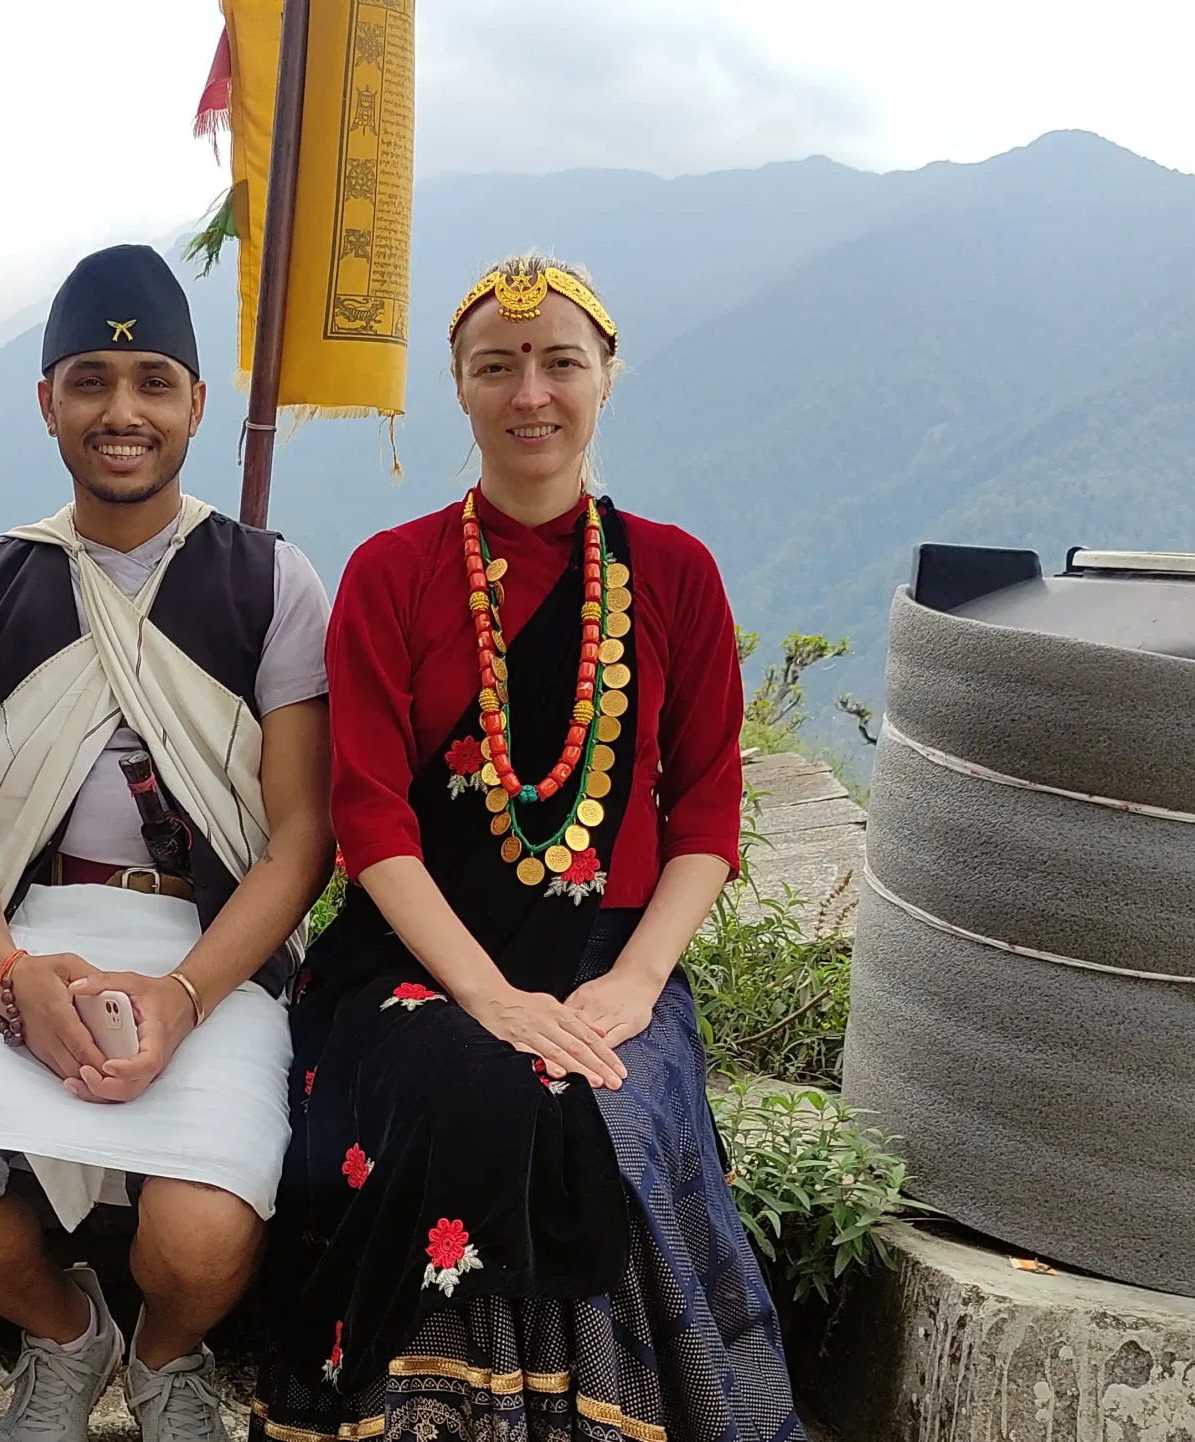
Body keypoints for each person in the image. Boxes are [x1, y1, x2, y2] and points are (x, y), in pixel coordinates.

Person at [251, 255, 800, 1442]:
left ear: (608, 377)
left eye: (560, 362)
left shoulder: (673, 572)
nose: (530, 393)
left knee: (600, 1108)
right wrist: (491, 995)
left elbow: (706, 808)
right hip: (415, 958)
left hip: (612, 957)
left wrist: (634, 984)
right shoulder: (391, 573)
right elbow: (370, 818)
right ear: (458, 386)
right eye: (496, 367)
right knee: (470, 1082)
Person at [0, 243, 335, 1442]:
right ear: (47, 401)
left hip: (204, 942)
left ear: (195, 403)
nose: (121, 411)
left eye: (152, 380)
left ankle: (169, 1351)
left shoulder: (267, 583)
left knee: (206, 1227)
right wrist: (9, 977)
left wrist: (181, 994)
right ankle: (69, 1333)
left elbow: (297, 835)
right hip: (16, 933)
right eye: (90, 379)